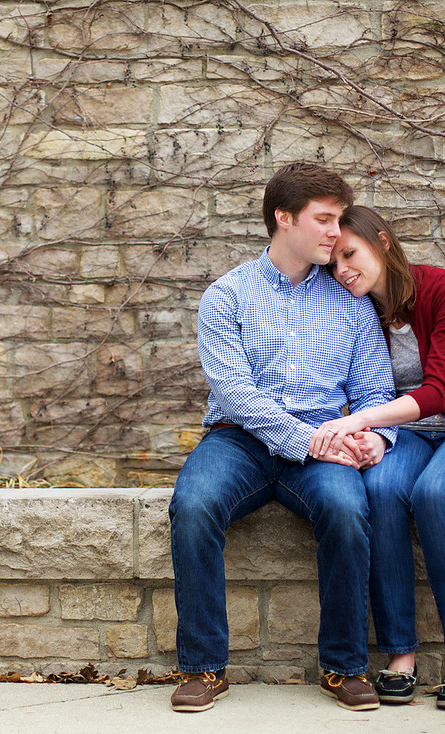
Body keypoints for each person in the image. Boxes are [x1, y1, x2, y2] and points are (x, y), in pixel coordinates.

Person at [169, 164, 397, 714]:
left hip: (323, 441)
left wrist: (377, 439)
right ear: (283, 218)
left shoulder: (352, 302)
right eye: (324, 219)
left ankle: (344, 668)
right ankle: (203, 667)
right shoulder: (226, 296)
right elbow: (237, 393)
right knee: (194, 504)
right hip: (239, 440)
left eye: (339, 220)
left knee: (346, 507)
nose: (335, 233)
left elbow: (374, 392)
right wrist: (308, 440)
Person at [309, 205, 445, 710]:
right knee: (378, 489)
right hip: (410, 437)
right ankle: (400, 655)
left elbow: (442, 390)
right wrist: (375, 436)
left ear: (383, 241)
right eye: (334, 263)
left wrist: (360, 422)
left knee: (436, 492)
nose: (342, 271)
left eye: (350, 254)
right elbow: (363, 385)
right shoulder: (359, 311)